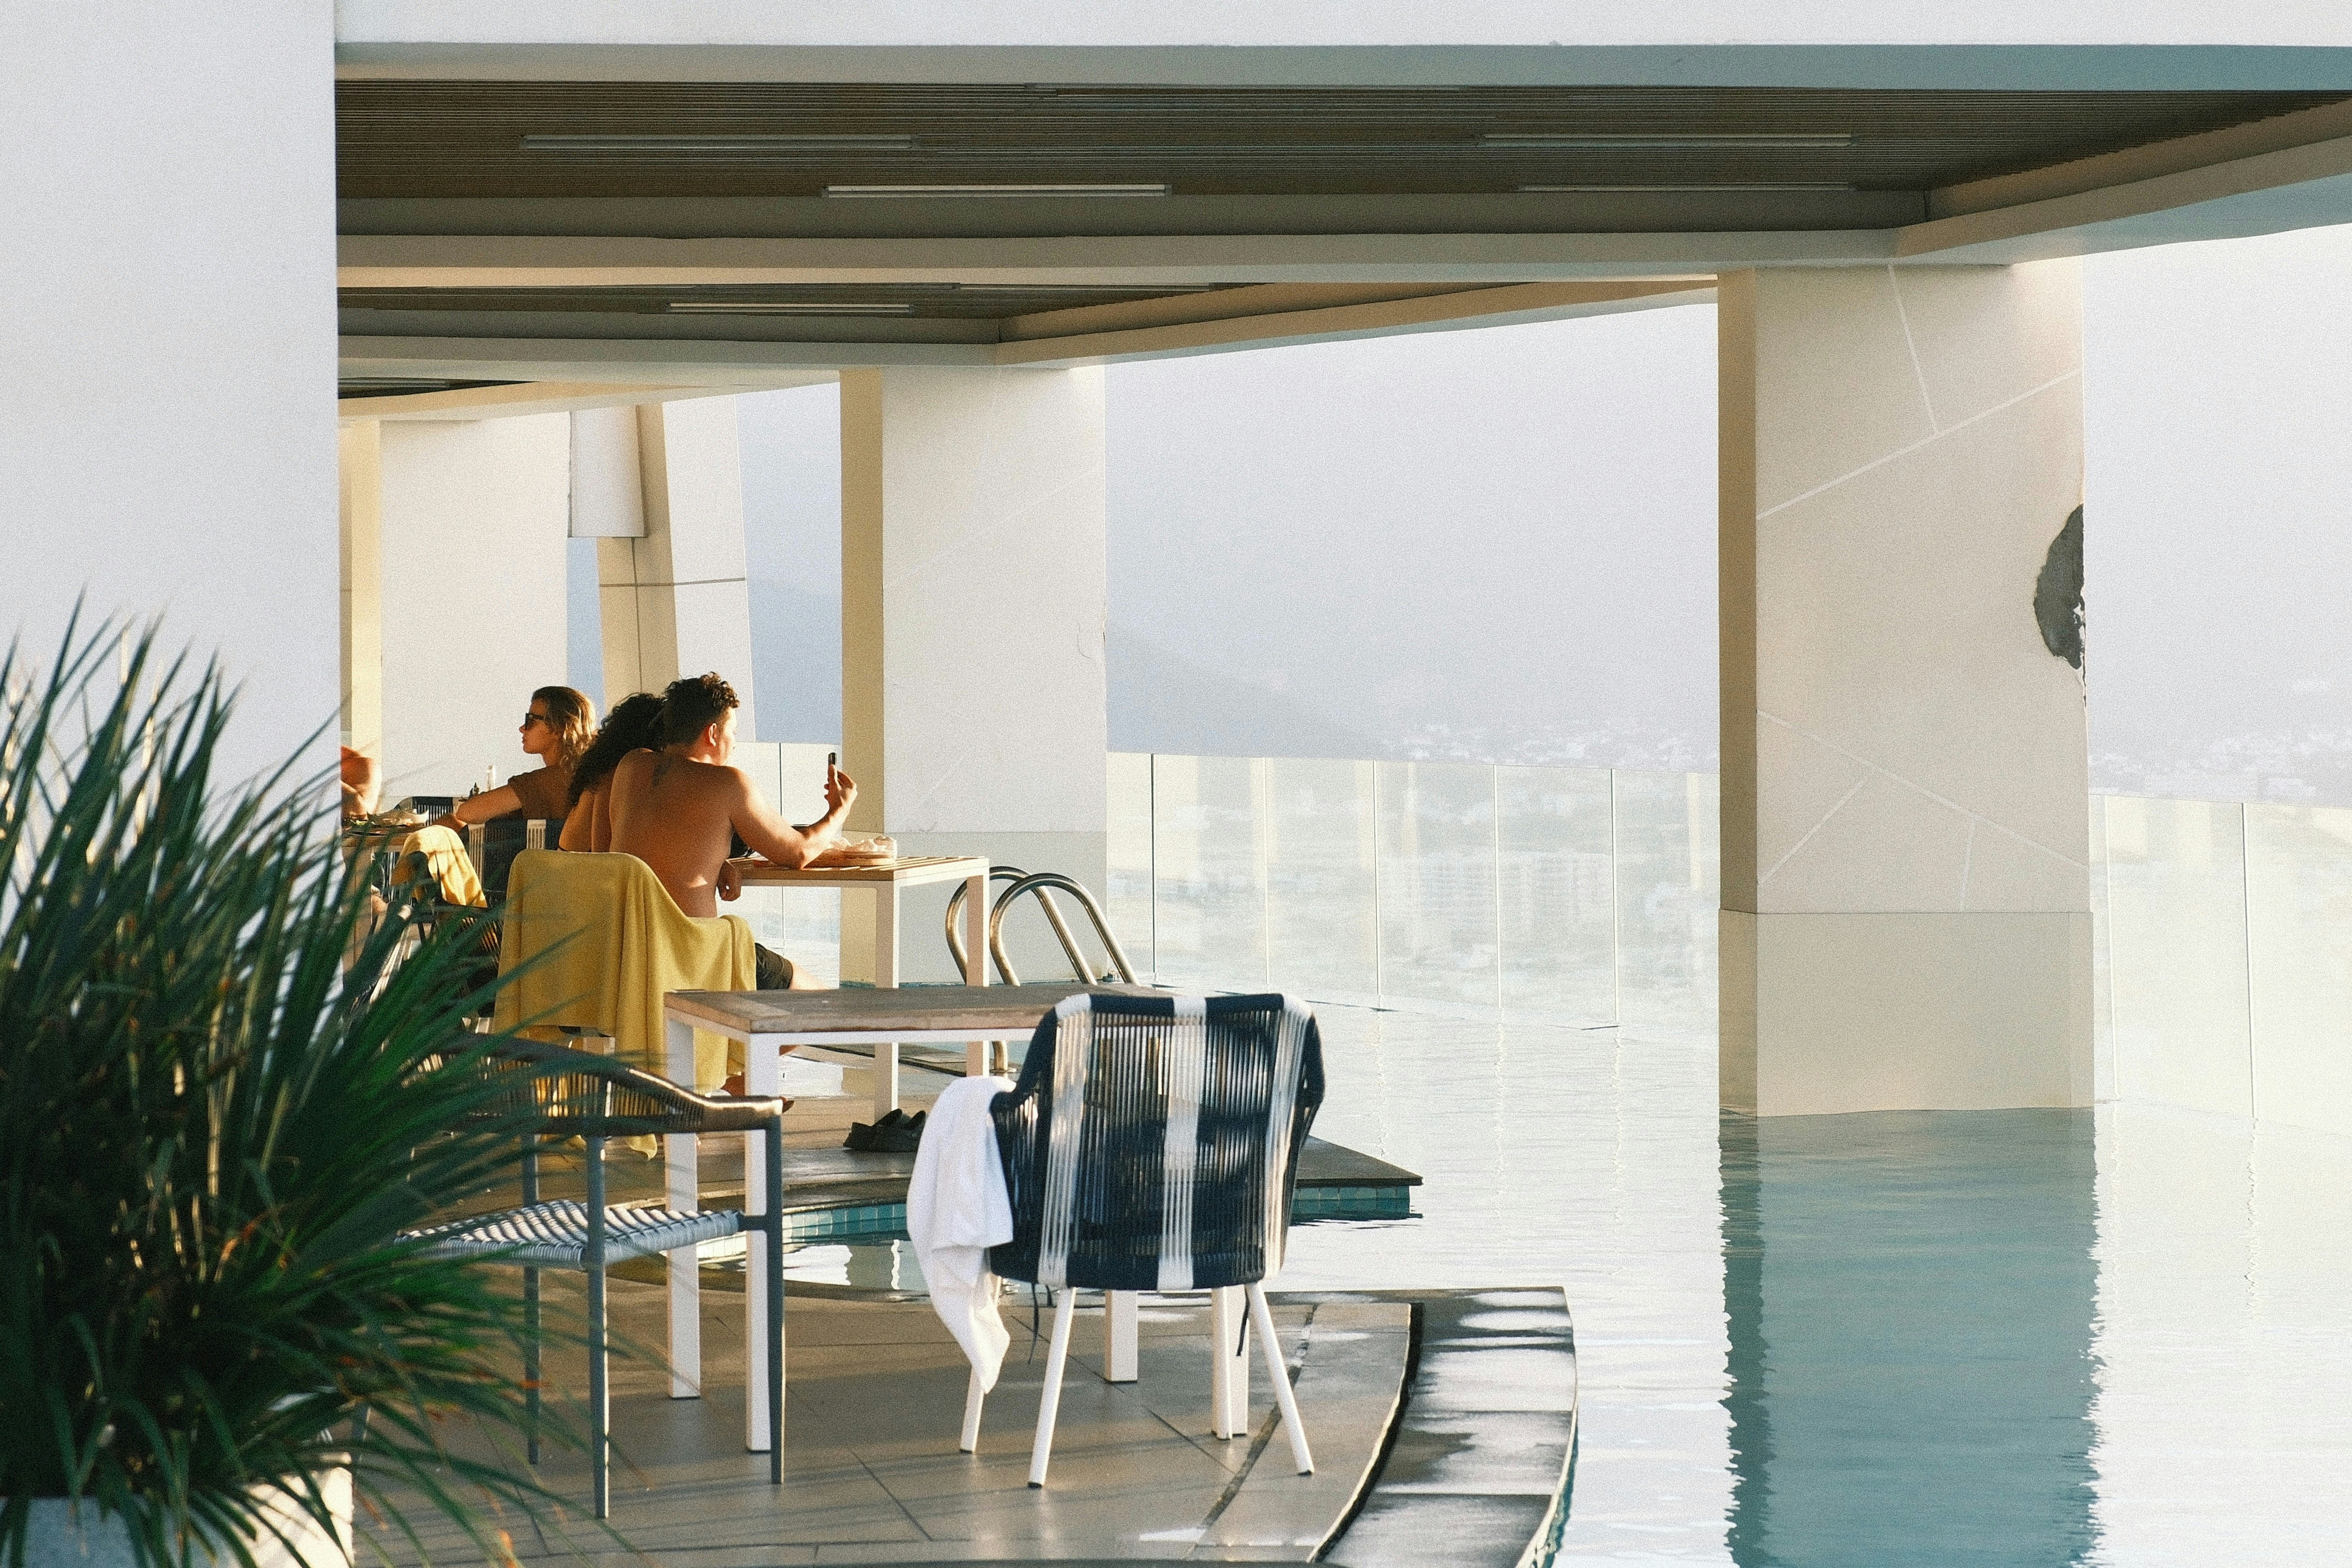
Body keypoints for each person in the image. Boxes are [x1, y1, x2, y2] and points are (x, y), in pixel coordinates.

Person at [608, 672, 855, 990]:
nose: (735, 743)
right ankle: (743, 1041)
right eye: (733, 732)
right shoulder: (728, 782)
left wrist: (715, 861)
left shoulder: (630, 767)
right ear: (713, 733)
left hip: (627, 953)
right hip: (694, 951)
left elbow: (639, 850)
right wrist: (839, 811)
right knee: (820, 1002)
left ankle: (715, 1041)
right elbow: (799, 852)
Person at [437, 686, 594, 829]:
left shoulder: (547, 780)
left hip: (527, 859)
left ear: (558, 729)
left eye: (531, 720)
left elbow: (467, 813)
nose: (522, 728)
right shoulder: (579, 774)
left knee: (449, 823)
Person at [558, 691, 664, 851]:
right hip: (578, 871)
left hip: (572, 867)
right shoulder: (613, 777)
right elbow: (603, 854)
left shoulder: (602, 771)